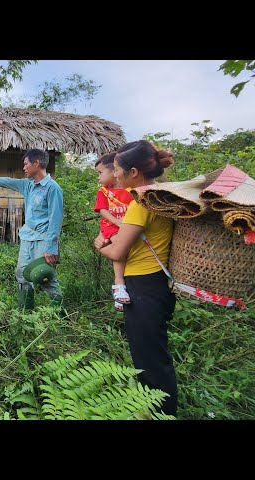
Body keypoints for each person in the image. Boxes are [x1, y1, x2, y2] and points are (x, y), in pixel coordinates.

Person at [94, 139, 177, 416]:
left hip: (143, 285)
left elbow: (119, 250)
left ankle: (161, 411)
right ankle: (155, 408)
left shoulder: (140, 203)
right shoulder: (162, 194)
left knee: (149, 359)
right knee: (154, 353)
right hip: (158, 283)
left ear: (133, 173)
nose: (113, 174)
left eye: (117, 169)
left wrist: (102, 245)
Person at [0, 148, 63, 308]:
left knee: (44, 277)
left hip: (43, 239)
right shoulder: (28, 185)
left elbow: (56, 219)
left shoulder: (52, 188)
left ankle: (59, 314)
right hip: (27, 237)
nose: (24, 168)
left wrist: (51, 248)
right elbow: (8, 181)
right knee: (22, 275)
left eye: (26, 164)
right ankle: (25, 312)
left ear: (37, 163)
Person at [94, 152, 135, 312]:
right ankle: (119, 284)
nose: (98, 177)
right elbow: (103, 210)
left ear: (114, 171)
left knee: (127, 250)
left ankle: (121, 293)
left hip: (127, 225)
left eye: (100, 173)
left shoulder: (131, 190)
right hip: (111, 226)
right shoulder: (103, 192)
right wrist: (118, 222)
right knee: (119, 246)